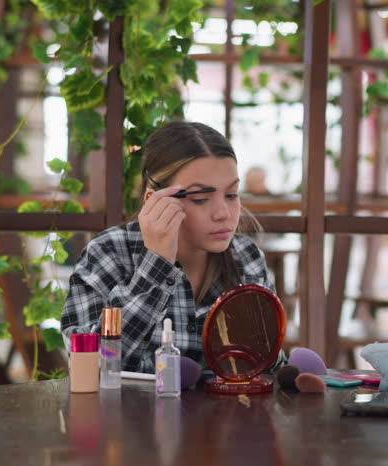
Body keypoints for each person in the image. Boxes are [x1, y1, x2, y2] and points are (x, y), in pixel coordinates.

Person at [60, 121, 276, 373]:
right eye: (200, 199)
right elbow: (91, 368)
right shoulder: (108, 252)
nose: (223, 213)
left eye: (232, 195)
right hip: (132, 413)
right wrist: (156, 263)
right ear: (155, 200)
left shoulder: (246, 257)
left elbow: (264, 364)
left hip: (229, 412)